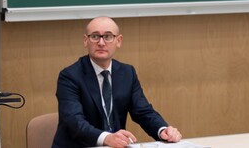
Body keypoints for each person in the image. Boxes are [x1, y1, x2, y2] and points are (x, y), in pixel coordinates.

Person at [52, 16, 182, 148]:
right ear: (86, 41)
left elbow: (143, 112)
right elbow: (75, 121)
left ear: (118, 41)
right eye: (95, 36)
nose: (101, 43)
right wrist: (106, 138)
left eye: (108, 36)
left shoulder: (127, 73)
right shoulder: (70, 76)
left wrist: (162, 130)